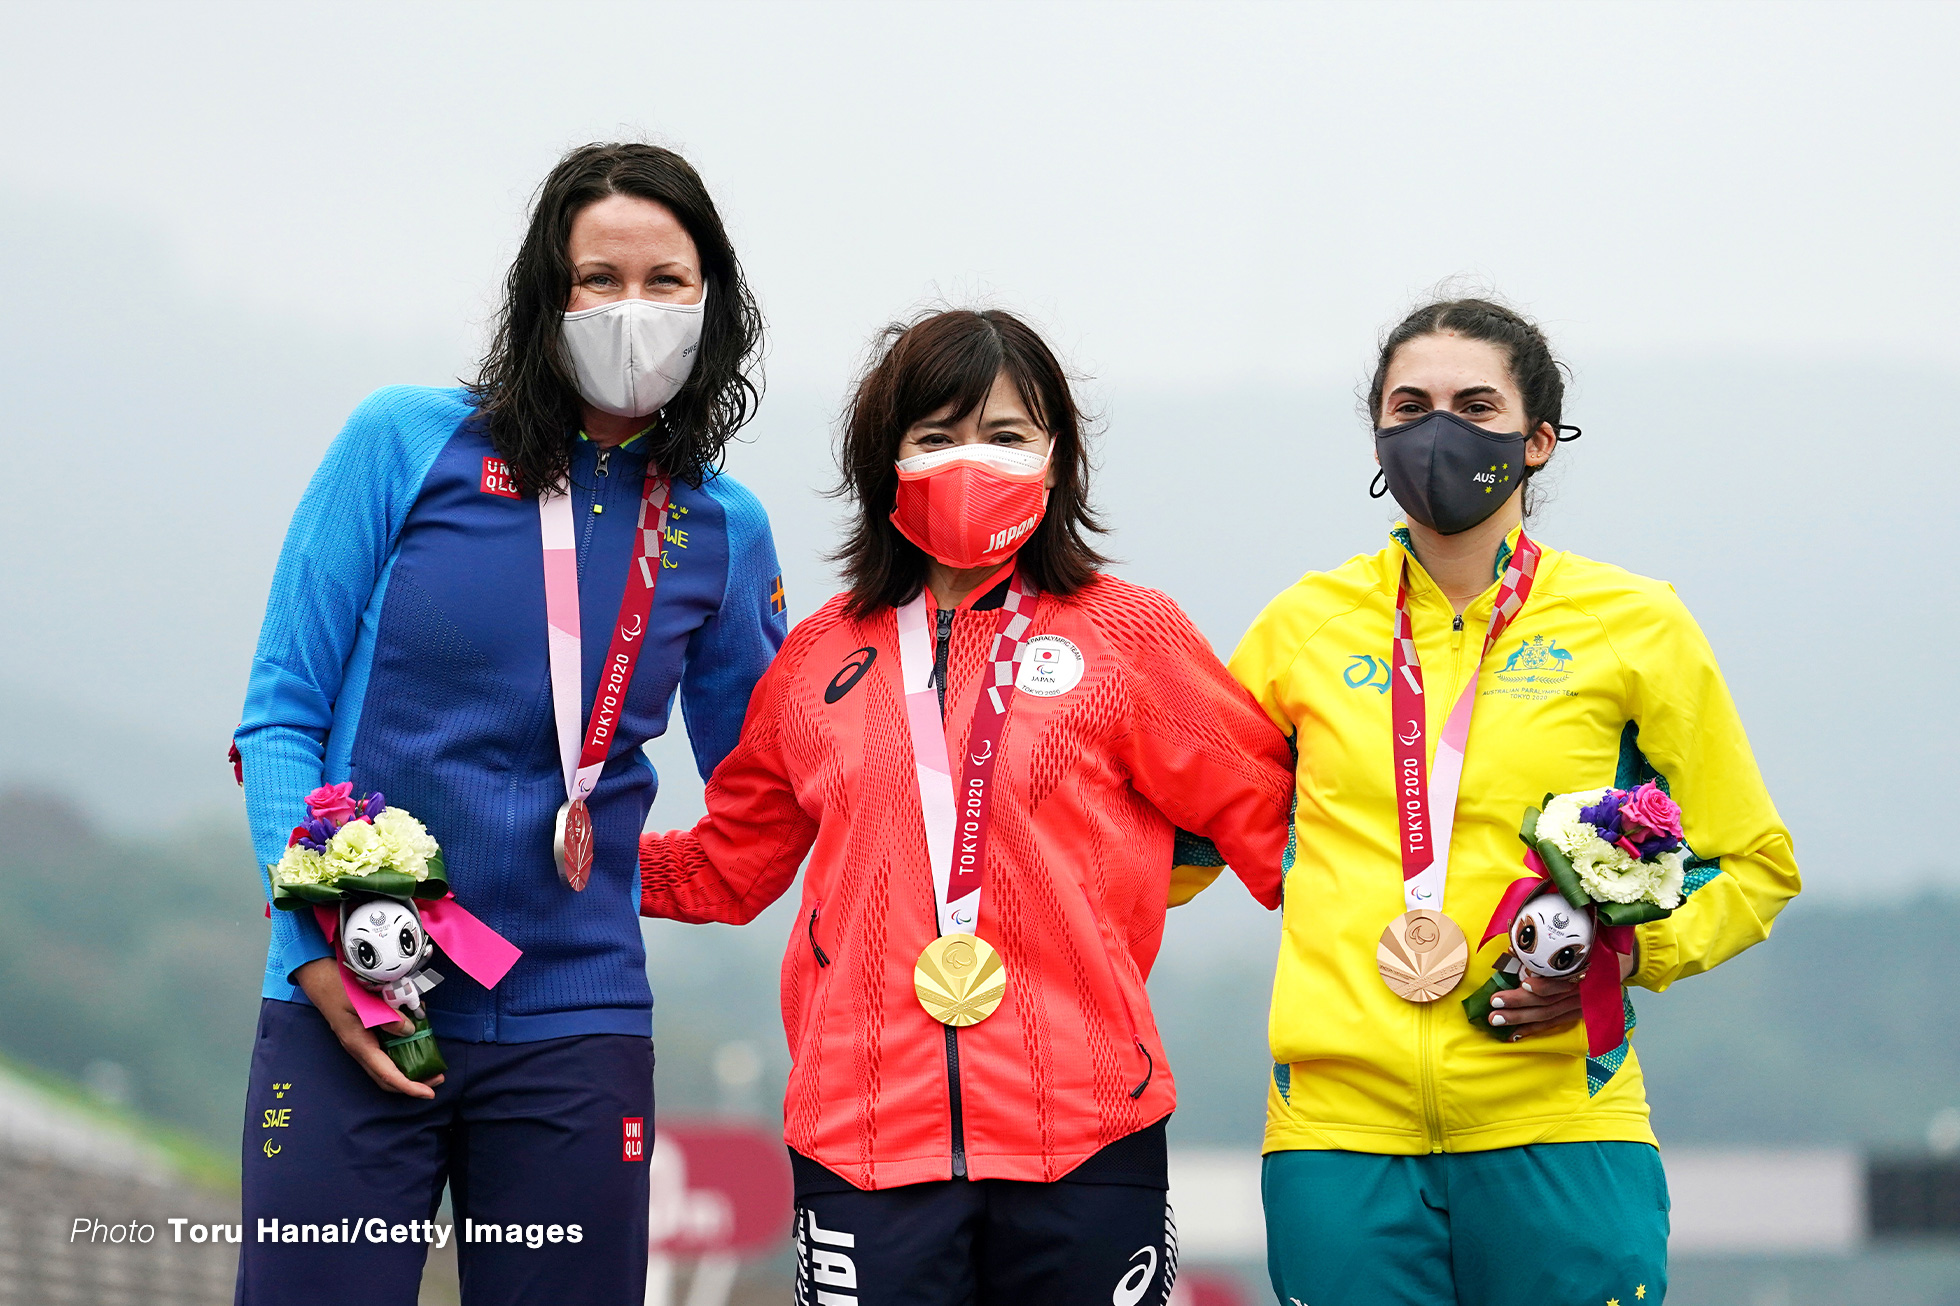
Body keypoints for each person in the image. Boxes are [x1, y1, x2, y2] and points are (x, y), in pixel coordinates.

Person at [636, 308, 1295, 1306]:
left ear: (1055, 456)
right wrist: (546, 852)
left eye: (1005, 434)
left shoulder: (1128, 637)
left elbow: (1285, 832)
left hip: (1087, 1127)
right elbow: (725, 869)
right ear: (883, 459)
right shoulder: (816, 658)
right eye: (935, 436)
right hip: (862, 1138)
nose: (970, 459)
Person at [230, 142, 787, 1306]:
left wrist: (628, 873)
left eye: (665, 280)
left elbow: (771, 791)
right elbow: (282, 710)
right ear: (547, 294)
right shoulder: (404, 442)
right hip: (354, 988)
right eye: (598, 278)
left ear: (713, 300)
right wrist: (313, 951)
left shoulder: (722, 529)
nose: (631, 310)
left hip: (575, 1024)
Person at [1226, 297, 1801, 1305]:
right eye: (1410, 404)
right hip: (1336, 1140)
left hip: (1561, 1125)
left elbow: (1751, 864)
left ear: (1535, 441)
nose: (1437, 428)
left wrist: (1619, 957)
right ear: (1377, 431)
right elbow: (1184, 839)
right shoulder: (1299, 630)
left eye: (1474, 404)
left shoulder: (1633, 623)